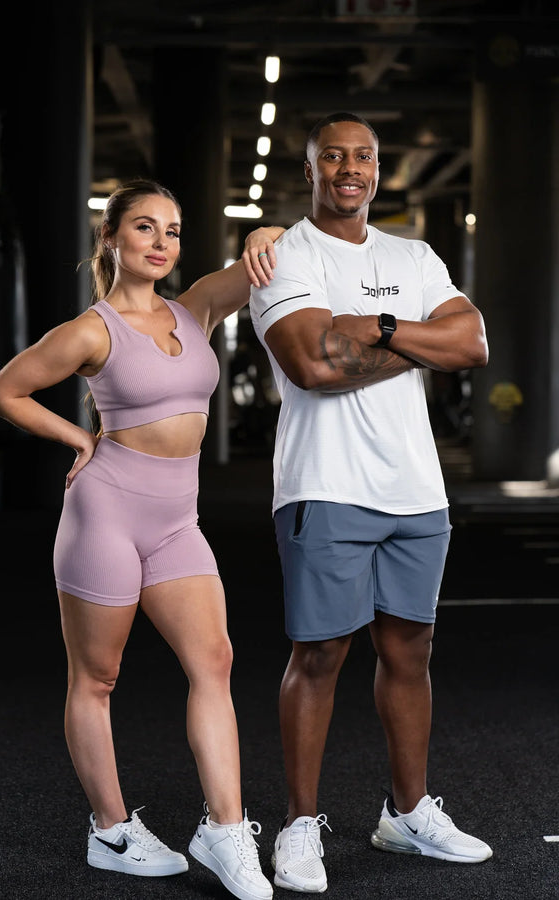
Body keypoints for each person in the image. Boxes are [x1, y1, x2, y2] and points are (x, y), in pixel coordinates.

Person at [0, 178, 281, 900]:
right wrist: (77, 435)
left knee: (214, 659)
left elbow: (274, 252)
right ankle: (111, 830)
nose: (161, 242)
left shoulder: (198, 306)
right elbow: (1, 392)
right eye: (144, 227)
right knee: (98, 679)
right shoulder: (91, 329)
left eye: (173, 231)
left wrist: (263, 235)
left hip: (179, 518)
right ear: (111, 237)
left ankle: (226, 829)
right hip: (106, 511)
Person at [243, 113, 493, 893]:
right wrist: (420, 339)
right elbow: (314, 363)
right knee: (319, 655)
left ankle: (407, 812)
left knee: (409, 651)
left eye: (364, 156)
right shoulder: (283, 255)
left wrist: (376, 326)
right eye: (333, 156)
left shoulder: (413, 254)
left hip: (416, 490)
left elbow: (474, 344)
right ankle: (298, 825)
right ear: (310, 167)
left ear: (379, 168)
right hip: (326, 483)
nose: (350, 168)